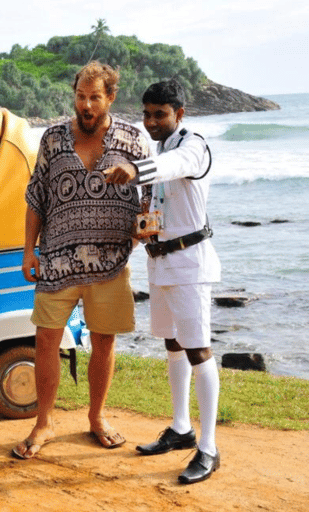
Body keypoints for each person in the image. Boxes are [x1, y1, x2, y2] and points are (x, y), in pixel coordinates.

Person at [13, 61, 149, 459]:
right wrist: (28, 249)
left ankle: (96, 417)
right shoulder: (53, 139)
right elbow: (36, 196)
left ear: (110, 98)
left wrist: (143, 231)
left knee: (104, 342)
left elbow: (149, 195)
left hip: (110, 261)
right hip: (57, 258)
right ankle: (44, 423)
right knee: (45, 341)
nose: (86, 105)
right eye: (80, 96)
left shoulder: (131, 138)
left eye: (94, 97)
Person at [103, 79, 221, 484]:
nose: (151, 122)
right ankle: (182, 428)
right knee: (173, 345)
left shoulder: (194, 146)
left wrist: (135, 169)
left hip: (190, 264)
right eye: (147, 114)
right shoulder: (160, 149)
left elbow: (178, 168)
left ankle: (208, 448)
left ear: (180, 114)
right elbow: (160, 199)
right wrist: (145, 227)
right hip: (161, 261)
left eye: (160, 114)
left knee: (199, 351)